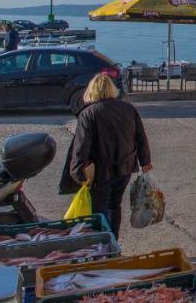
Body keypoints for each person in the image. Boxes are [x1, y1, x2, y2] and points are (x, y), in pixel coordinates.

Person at [61, 74, 151, 239]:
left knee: (99, 209)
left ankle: (103, 244)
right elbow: (140, 137)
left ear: (91, 91)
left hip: (100, 171)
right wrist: (145, 161)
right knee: (115, 205)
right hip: (125, 167)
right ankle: (113, 241)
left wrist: (77, 172)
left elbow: (81, 146)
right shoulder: (128, 108)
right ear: (112, 89)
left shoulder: (88, 113)